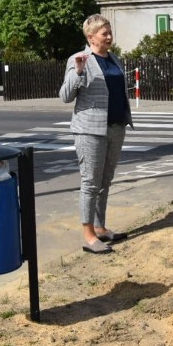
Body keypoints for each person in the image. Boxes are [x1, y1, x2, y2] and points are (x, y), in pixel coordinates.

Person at [60, 14, 133, 254]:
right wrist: (78, 72)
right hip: (90, 130)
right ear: (91, 37)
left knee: (105, 180)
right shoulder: (79, 59)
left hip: (115, 127)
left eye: (110, 32)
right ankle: (89, 234)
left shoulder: (114, 59)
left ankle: (101, 228)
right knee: (90, 183)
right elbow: (65, 96)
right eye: (105, 33)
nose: (110, 37)